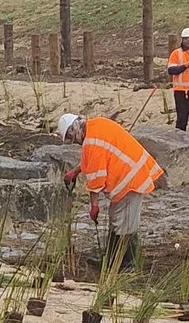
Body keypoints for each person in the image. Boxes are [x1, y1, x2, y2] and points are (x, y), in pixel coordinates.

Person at [58, 111, 164, 272]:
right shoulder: (97, 124)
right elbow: (95, 156)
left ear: (74, 131)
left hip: (130, 179)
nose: (75, 143)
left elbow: (95, 181)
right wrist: (76, 171)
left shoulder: (91, 142)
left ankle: (127, 266)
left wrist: (94, 206)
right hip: (133, 171)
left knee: (125, 224)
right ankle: (111, 261)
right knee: (117, 220)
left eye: (72, 139)